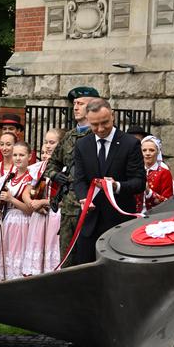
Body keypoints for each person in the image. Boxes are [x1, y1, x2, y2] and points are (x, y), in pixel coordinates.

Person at [72, 98, 145, 264]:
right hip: (90, 222)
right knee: (85, 271)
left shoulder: (130, 143)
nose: (100, 129)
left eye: (104, 122)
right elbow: (79, 180)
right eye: (94, 124)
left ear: (113, 116)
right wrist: (84, 198)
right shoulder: (82, 145)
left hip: (119, 222)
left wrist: (116, 186)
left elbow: (139, 182)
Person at [44, 86, 100, 267]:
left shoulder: (99, 135)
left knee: (88, 258)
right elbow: (51, 164)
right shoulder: (69, 136)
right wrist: (55, 175)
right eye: (74, 104)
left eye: (80, 104)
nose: (75, 107)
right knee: (67, 258)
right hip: (68, 207)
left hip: (91, 206)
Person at [0, 142, 33, 282]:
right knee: (4, 259)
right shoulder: (9, 177)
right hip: (7, 221)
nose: (18, 158)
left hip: (23, 222)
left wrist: (11, 199)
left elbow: (30, 209)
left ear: (29, 157)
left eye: (22, 155)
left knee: (18, 257)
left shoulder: (31, 179)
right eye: (15, 155)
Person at [23, 143, 61, 275]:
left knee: (51, 249)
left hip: (55, 215)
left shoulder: (64, 169)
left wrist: (43, 202)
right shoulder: (37, 169)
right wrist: (32, 204)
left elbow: (64, 200)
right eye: (43, 152)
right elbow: (26, 192)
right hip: (39, 215)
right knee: (37, 249)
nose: (45, 155)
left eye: (49, 152)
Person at [136, 135, 174, 214]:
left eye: (151, 150)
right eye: (144, 150)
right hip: (134, 216)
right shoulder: (135, 171)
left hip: (155, 216)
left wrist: (149, 192)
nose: (147, 153)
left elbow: (168, 202)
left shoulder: (164, 173)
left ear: (158, 152)